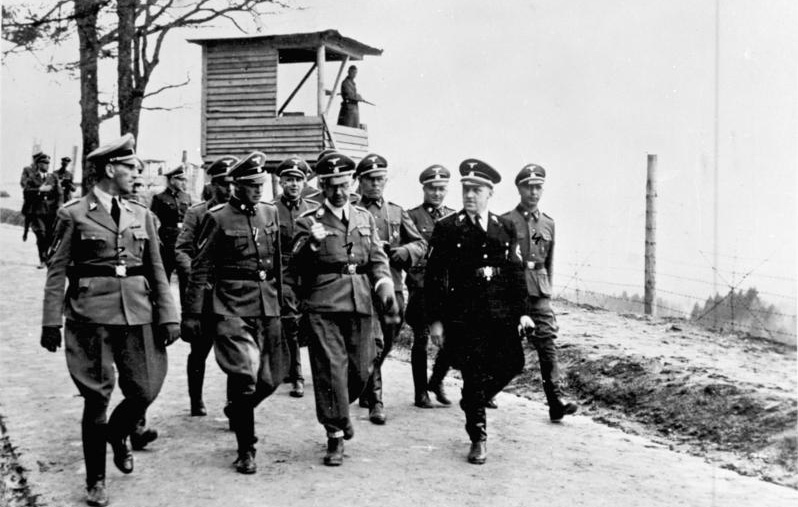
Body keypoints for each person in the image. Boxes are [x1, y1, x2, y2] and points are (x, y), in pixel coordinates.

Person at [40, 133, 180, 506]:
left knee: (146, 388)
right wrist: (50, 320)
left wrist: (168, 315)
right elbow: (56, 271)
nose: (137, 174)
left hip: (138, 311)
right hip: (91, 314)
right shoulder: (72, 214)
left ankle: (119, 434)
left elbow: (157, 270)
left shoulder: (142, 215)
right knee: (96, 398)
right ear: (108, 169)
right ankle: (96, 480)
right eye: (130, 168)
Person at [182, 152, 289, 475]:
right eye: (251, 185)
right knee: (244, 375)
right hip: (229, 305)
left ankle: (237, 409)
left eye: (261, 184)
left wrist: (284, 304)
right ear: (236, 187)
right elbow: (199, 269)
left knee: (271, 379)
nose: (258, 190)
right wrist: (192, 314)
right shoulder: (218, 218)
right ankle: (246, 449)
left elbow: (279, 264)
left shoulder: (270, 213)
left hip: (266, 304)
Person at [286, 152, 396, 466]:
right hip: (323, 303)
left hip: (360, 301)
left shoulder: (364, 217)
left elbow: (377, 258)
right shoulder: (308, 220)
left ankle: (339, 411)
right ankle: (334, 434)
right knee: (330, 369)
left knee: (362, 368)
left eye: (344, 184)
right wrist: (311, 245)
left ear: (351, 183)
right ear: (322, 185)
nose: (338, 192)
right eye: (331, 186)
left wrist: (384, 285)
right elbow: (295, 263)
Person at [425, 159, 534, 465]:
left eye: (477, 190)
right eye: (466, 189)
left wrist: (523, 312)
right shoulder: (447, 228)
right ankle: (478, 437)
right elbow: (434, 277)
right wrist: (435, 321)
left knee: (514, 362)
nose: (470, 195)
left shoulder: (505, 227)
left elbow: (515, 273)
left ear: (490, 193)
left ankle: (475, 398)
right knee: (473, 375)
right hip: (464, 316)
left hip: (500, 315)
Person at [502, 164, 577, 422]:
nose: (533, 192)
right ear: (519, 189)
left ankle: (555, 401)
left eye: (538, 187)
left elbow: (549, 262)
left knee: (547, 345)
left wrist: (547, 290)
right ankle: (488, 390)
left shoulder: (548, 224)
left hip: (540, 291)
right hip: (513, 291)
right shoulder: (506, 222)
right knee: (505, 345)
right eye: (528, 187)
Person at [355, 153, 427, 424]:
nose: (375, 184)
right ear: (360, 182)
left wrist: (404, 252)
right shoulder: (353, 212)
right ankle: (376, 401)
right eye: (370, 179)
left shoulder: (396, 212)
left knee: (389, 337)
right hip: (364, 287)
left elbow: (421, 243)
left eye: (380, 179)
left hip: (394, 285)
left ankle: (365, 380)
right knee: (373, 341)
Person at [175, 156, 238, 417]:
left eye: (234, 183)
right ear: (212, 185)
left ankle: (235, 406)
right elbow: (181, 251)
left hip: (232, 294)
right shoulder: (197, 213)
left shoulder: (241, 213)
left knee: (236, 353)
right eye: (223, 184)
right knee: (199, 349)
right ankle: (195, 399)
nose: (229, 190)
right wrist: (198, 279)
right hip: (204, 295)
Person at [405, 165, 456, 408]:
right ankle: (420, 392)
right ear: (424, 189)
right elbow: (409, 253)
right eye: (432, 188)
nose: (437, 193)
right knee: (422, 338)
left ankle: (436, 381)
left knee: (452, 337)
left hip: (446, 288)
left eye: (441, 189)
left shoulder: (453, 216)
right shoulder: (412, 217)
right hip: (421, 287)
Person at [272, 155, 319, 399]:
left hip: (310, 272)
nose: (293, 185)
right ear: (281, 182)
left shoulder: (313, 210)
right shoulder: (270, 209)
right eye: (289, 180)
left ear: (304, 183)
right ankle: (298, 376)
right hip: (284, 273)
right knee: (289, 321)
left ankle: (304, 369)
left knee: (312, 321)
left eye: (298, 180)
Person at [149, 166, 192, 297]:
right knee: (164, 277)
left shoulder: (187, 197)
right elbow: (153, 220)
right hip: (166, 242)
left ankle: (186, 311)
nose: (184, 183)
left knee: (185, 276)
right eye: (181, 180)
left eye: (185, 180)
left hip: (183, 243)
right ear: (172, 180)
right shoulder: (159, 198)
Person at [20, 152, 61, 267]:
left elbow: (60, 193)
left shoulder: (53, 177)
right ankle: (42, 259)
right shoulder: (32, 178)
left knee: (50, 235)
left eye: (48, 163)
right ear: (38, 164)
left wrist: (59, 207)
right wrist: (39, 189)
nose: (46, 165)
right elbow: (26, 191)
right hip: (37, 210)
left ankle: (47, 256)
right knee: (41, 234)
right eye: (43, 163)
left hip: (51, 211)